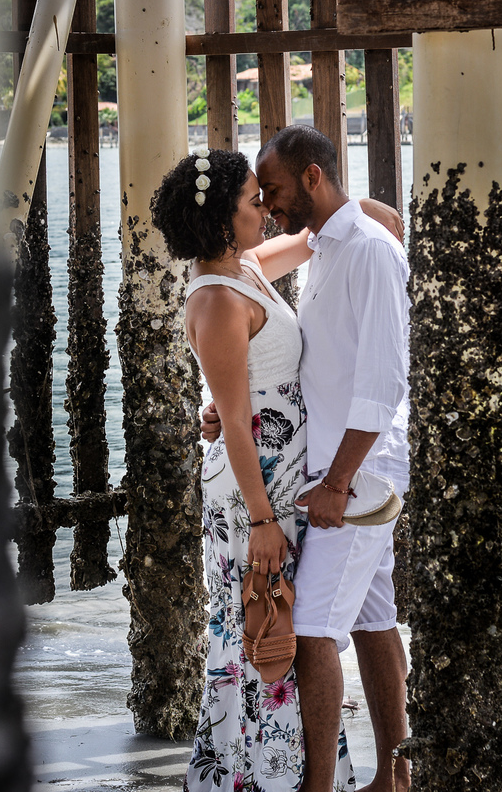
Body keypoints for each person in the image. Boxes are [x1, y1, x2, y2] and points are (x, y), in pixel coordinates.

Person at [150, 146, 400, 792]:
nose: (266, 209)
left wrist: (358, 209)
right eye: (252, 202)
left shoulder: (251, 267)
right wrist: (262, 518)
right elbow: (233, 422)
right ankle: (254, 777)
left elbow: (342, 228)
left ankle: (285, 773)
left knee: (275, 625)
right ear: (219, 220)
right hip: (251, 489)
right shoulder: (216, 298)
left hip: (288, 471)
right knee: (256, 630)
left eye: (266, 196)